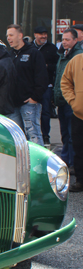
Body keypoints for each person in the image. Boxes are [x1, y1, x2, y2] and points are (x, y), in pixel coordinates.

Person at [6, 24, 48, 145]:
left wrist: (34, 97)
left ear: (20, 36)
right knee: (16, 137)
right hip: (13, 104)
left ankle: (38, 163)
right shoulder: (9, 55)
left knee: (33, 134)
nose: (8, 38)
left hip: (29, 103)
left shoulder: (33, 53)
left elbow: (42, 77)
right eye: (7, 36)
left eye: (11, 35)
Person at [53, 28, 83, 173]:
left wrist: (73, 102)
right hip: (66, 103)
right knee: (67, 136)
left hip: (73, 105)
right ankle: (67, 163)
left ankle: (71, 164)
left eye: (67, 39)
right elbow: (62, 80)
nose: (64, 42)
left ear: (76, 40)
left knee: (73, 137)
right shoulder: (65, 55)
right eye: (63, 39)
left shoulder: (77, 56)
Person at [33, 26, 59, 145]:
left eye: (45, 34)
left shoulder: (52, 48)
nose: (43, 36)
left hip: (47, 85)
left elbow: (58, 66)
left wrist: (47, 66)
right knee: (31, 111)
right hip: (32, 85)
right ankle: (33, 135)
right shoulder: (30, 48)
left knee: (45, 112)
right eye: (40, 34)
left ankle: (46, 136)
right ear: (35, 35)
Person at [61, 53, 83, 192]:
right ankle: (80, 181)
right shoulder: (77, 60)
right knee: (79, 149)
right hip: (79, 115)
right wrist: (73, 102)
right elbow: (65, 81)